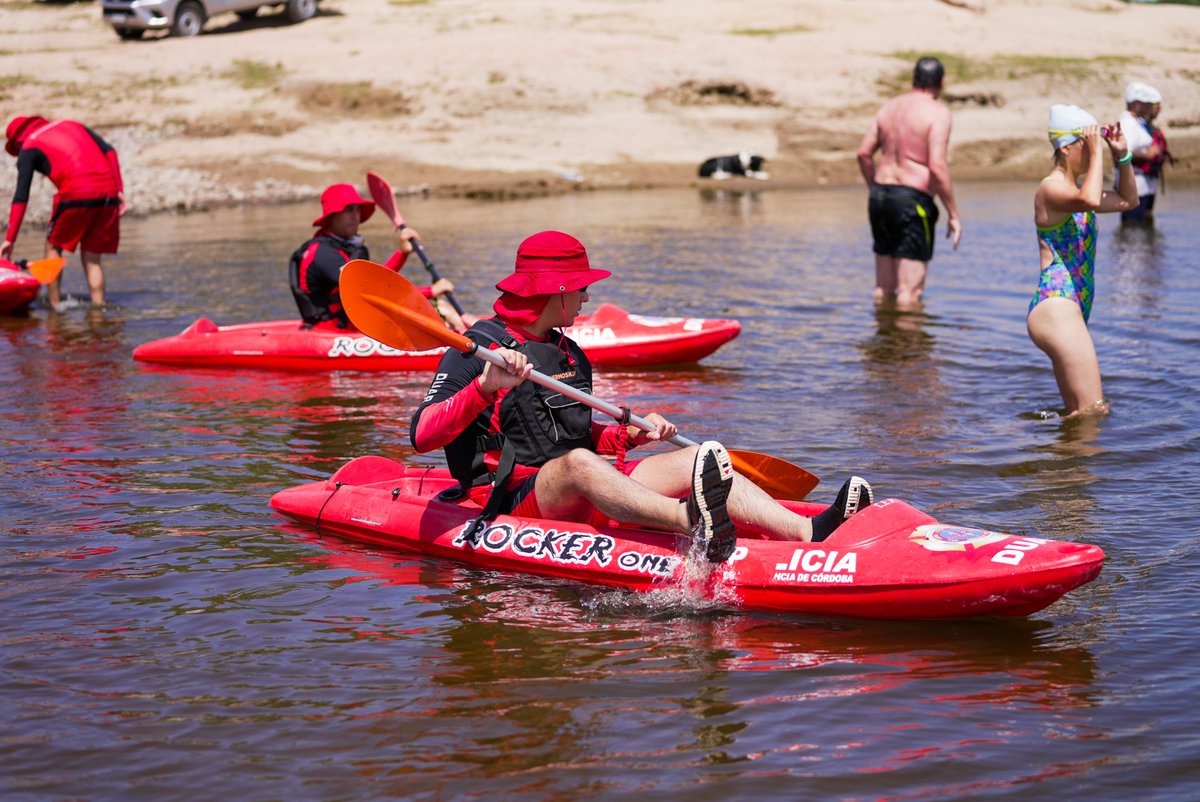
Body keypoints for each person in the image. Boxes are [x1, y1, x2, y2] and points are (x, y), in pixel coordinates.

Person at [409, 230, 873, 563]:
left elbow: (574, 434)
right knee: (577, 466)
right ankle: (694, 521)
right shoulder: (476, 348)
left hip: (583, 483)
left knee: (701, 460)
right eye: (584, 288)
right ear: (560, 290)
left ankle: (808, 531)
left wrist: (625, 435)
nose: (588, 299)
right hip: (511, 500)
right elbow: (422, 435)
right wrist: (485, 388)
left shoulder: (569, 352)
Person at [1028, 105, 1138, 417]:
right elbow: (1090, 199)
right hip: (1057, 307)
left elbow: (1129, 200)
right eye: (1086, 144)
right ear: (1065, 148)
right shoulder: (1050, 189)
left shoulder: (1075, 191)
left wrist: (1122, 156)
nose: (1093, 151)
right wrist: (1098, 152)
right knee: (1094, 411)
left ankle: (1054, 459)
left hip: (1072, 307)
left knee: (1078, 415)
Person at [856, 56, 963, 310]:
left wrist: (875, 187)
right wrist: (954, 214)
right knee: (910, 293)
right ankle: (909, 351)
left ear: (913, 79)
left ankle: (885, 347)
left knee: (883, 288)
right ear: (942, 82)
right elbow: (937, 166)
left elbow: (863, 153)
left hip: (880, 196)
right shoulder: (938, 112)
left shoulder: (888, 107)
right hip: (912, 199)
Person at [289, 183, 465, 331]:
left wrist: (402, 253)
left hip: (354, 324)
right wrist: (430, 292)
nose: (356, 217)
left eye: (358, 210)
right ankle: (468, 350)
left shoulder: (352, 248)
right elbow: (372, 291)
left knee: (442, 310)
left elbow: (377, 280)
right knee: (441, 310)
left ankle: (468, 341)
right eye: (349, 210)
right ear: (331, 217)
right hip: (329, 331)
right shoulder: (323, 254)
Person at [2, 115, 126, 309]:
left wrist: (10, 239)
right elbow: (110, 151)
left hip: (76, 194)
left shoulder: (28, 146)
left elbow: (21, 197)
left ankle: (55, 307)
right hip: (108, 192)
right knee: (92, 258)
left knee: (53, 248)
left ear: (17, 142)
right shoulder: (70, 124)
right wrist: (119, 189)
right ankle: (98, 308)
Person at [1115, 82, 1171, 224]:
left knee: (1145, 227)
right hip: (1135, 185)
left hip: (1145, 184)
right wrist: (1147, 155)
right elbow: (1121, 152)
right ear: (1137, 104)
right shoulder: (1127, 123)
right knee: (1133, 227)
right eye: (1147, 104)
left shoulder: (1138, 122)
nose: (1150, 108)